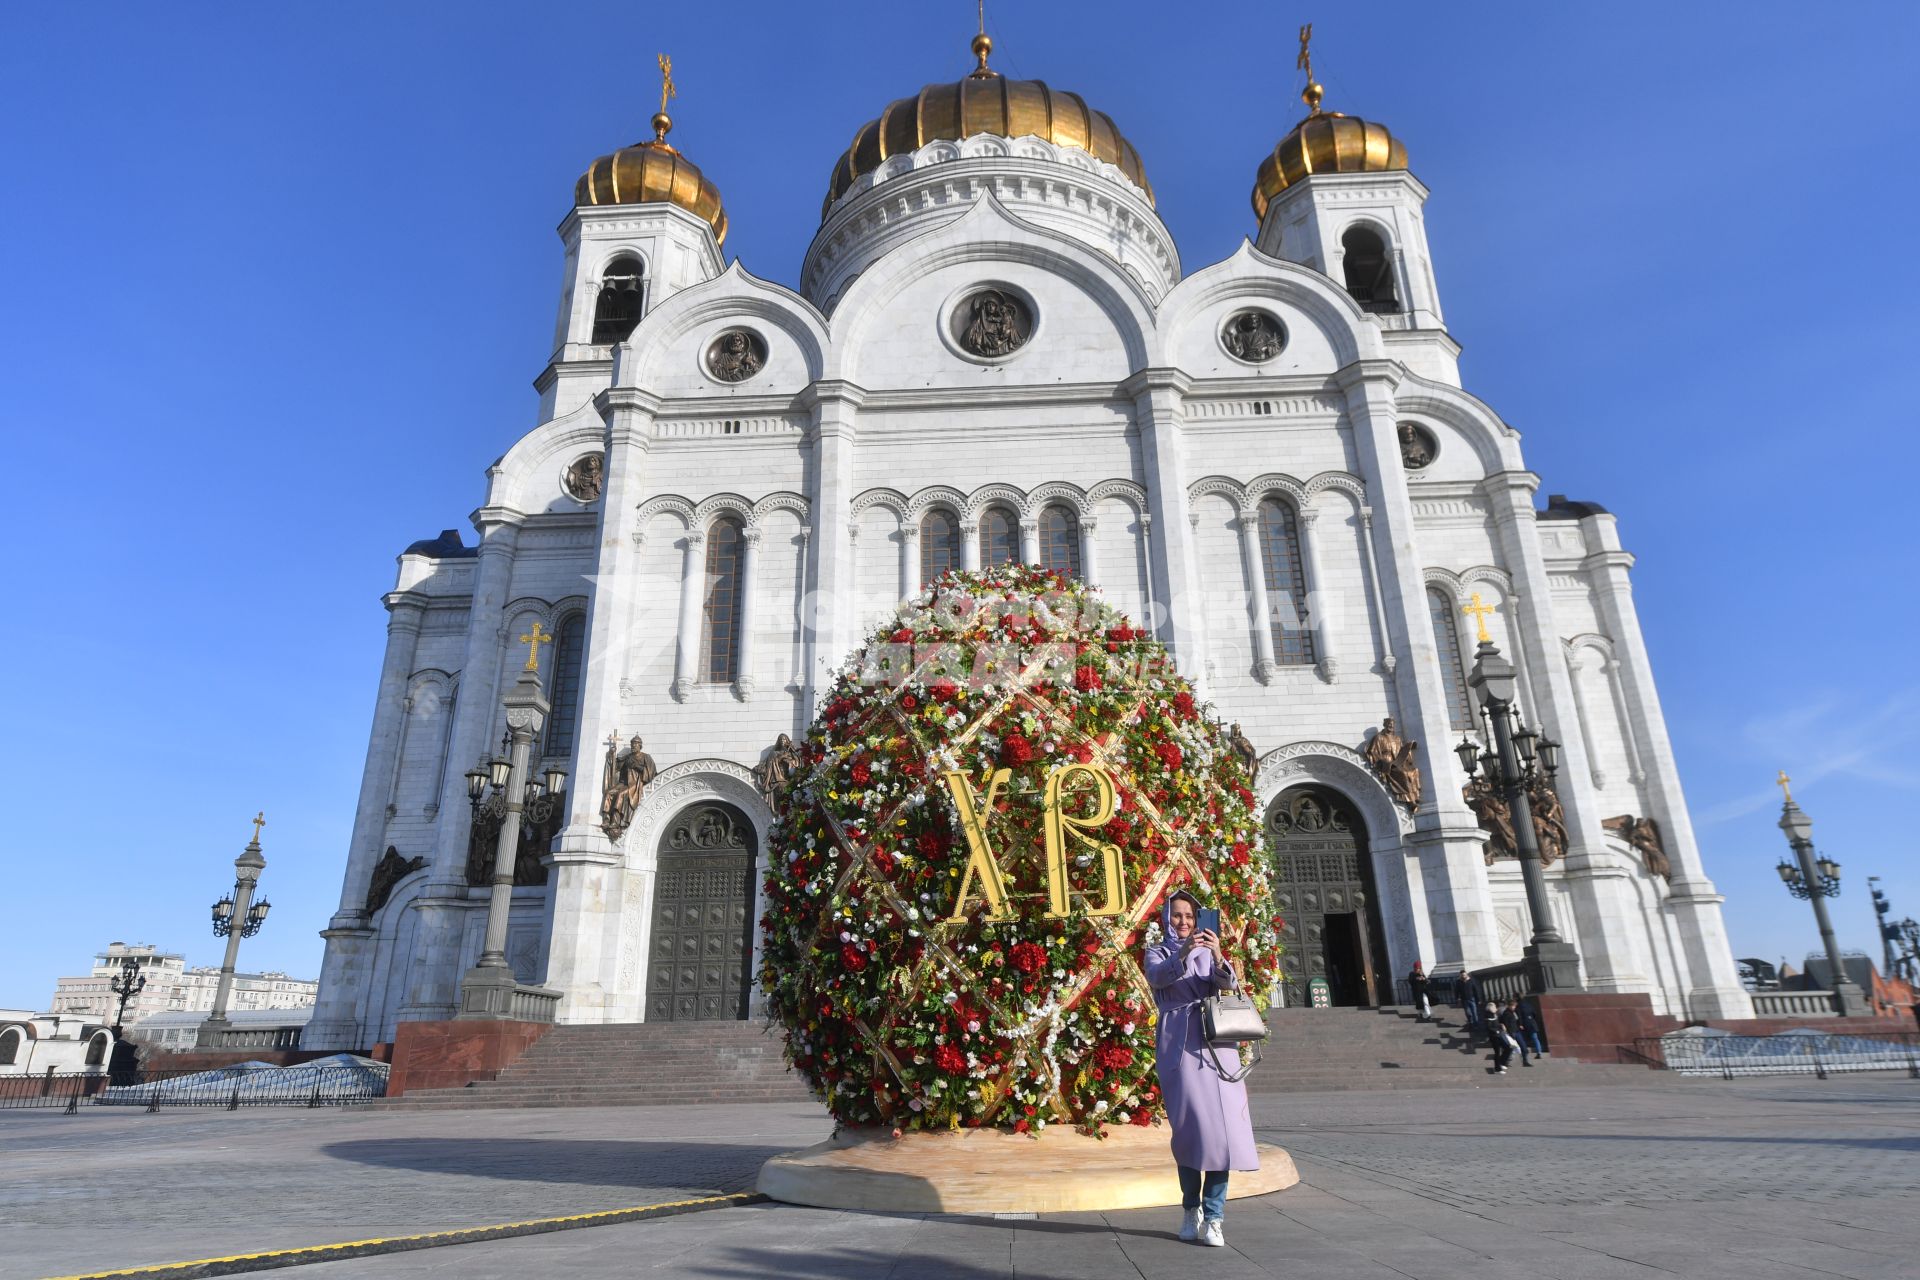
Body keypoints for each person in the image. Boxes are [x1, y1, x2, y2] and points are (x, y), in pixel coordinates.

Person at [1147, 890, 1258, 1248]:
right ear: (1167, 918)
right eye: (1177, 916)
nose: (1184, 923)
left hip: (1217, 1044)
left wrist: (1218, 956)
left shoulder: (1209, 954)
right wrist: (1183, 953)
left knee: (1223, 1133)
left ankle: (1214, 1217)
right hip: (1179, 1043)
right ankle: (1189, 1208)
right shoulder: (1158, 951)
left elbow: (1230, 986)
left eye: (1190, 917)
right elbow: (1159, 978)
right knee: (1192, 1131)